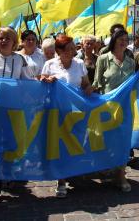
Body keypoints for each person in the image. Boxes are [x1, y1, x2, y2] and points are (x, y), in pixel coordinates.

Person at [0, 27, 36, 202]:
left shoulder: (20, 59)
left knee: (12, 142)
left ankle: (9, 174)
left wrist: (43, 81)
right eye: (1, 38)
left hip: (13, 108)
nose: (3, 41)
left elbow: (27, 81)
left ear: (14, 41)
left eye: (7, 38)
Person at [41, 35, 92, 198]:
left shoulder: (79, 64)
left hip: (75, 113)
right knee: (59, 145)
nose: (73, 51)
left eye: (73, 48)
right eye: (69, 49)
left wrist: (90, 89)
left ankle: (70, 170)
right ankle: (61, 181)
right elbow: (41, 83)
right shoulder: (49, 64)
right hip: (56, 112)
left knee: (74, 143)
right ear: (59, 51)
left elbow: (85, 84)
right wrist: (46, 80)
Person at [93, 29, 136, 192]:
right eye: (120, 39)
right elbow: (97, 83)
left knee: (123, 141)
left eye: (126, 39)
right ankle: (107, 166)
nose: (124, 42)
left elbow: (133, 83)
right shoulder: (103, 59)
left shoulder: (131, 61)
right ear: (114, 40)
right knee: (107, 139)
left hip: (125, 107)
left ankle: (121, 175)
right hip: (107, 107)